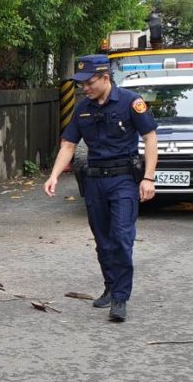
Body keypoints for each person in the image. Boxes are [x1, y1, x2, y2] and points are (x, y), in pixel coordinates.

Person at [43, 54, 157, 323]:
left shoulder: (131, 102)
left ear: (106, 77)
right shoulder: (83, 108)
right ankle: (110, 285)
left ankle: (120, 297)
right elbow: (69, 145)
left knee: (121, 237)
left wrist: (149, 178)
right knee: (103, 241)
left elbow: (150, 138)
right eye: (82, 83)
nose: (85, 87)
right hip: (94, 181)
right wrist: (54, 175)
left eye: (89, 82)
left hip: (123, 181)